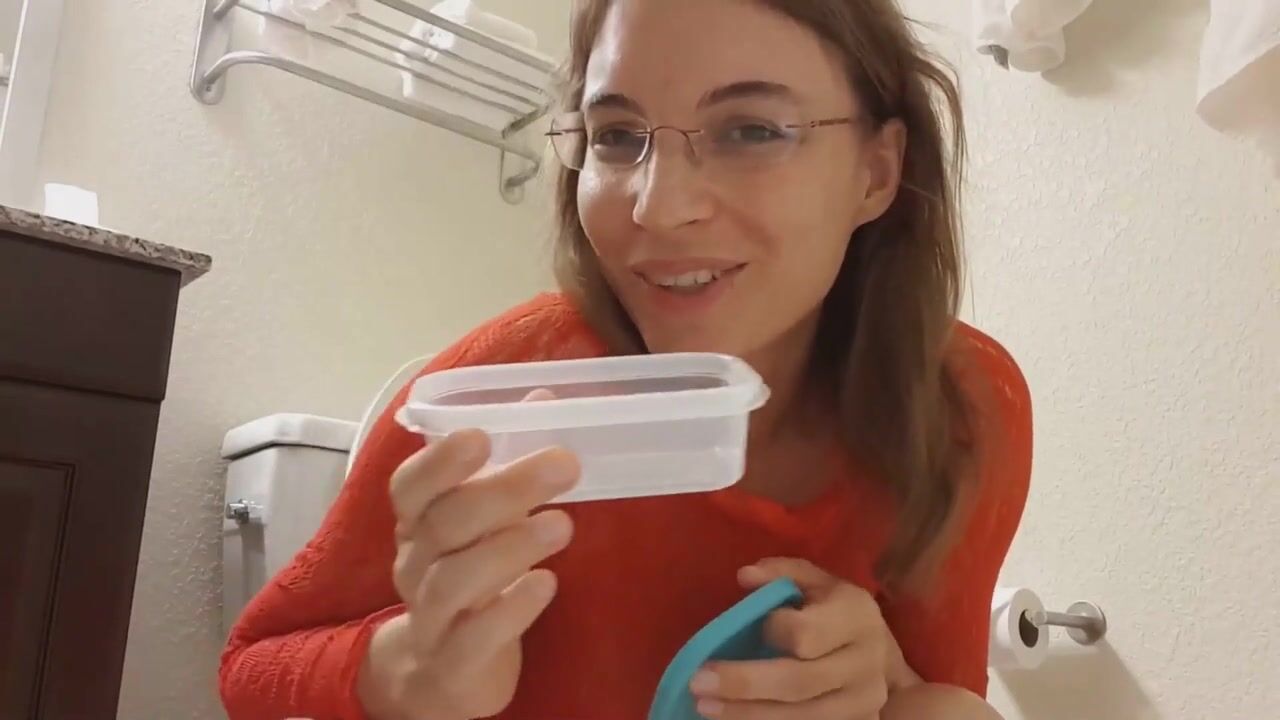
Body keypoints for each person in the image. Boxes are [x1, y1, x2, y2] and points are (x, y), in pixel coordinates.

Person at [219, 0, 1033, 718]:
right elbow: (250, 667)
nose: (659, 207)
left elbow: (942, 694)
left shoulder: (959, 408)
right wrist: (405, 670)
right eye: (617, 136)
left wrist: (887, 685)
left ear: (877, 172)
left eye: (751, 130)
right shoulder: (504, 392)